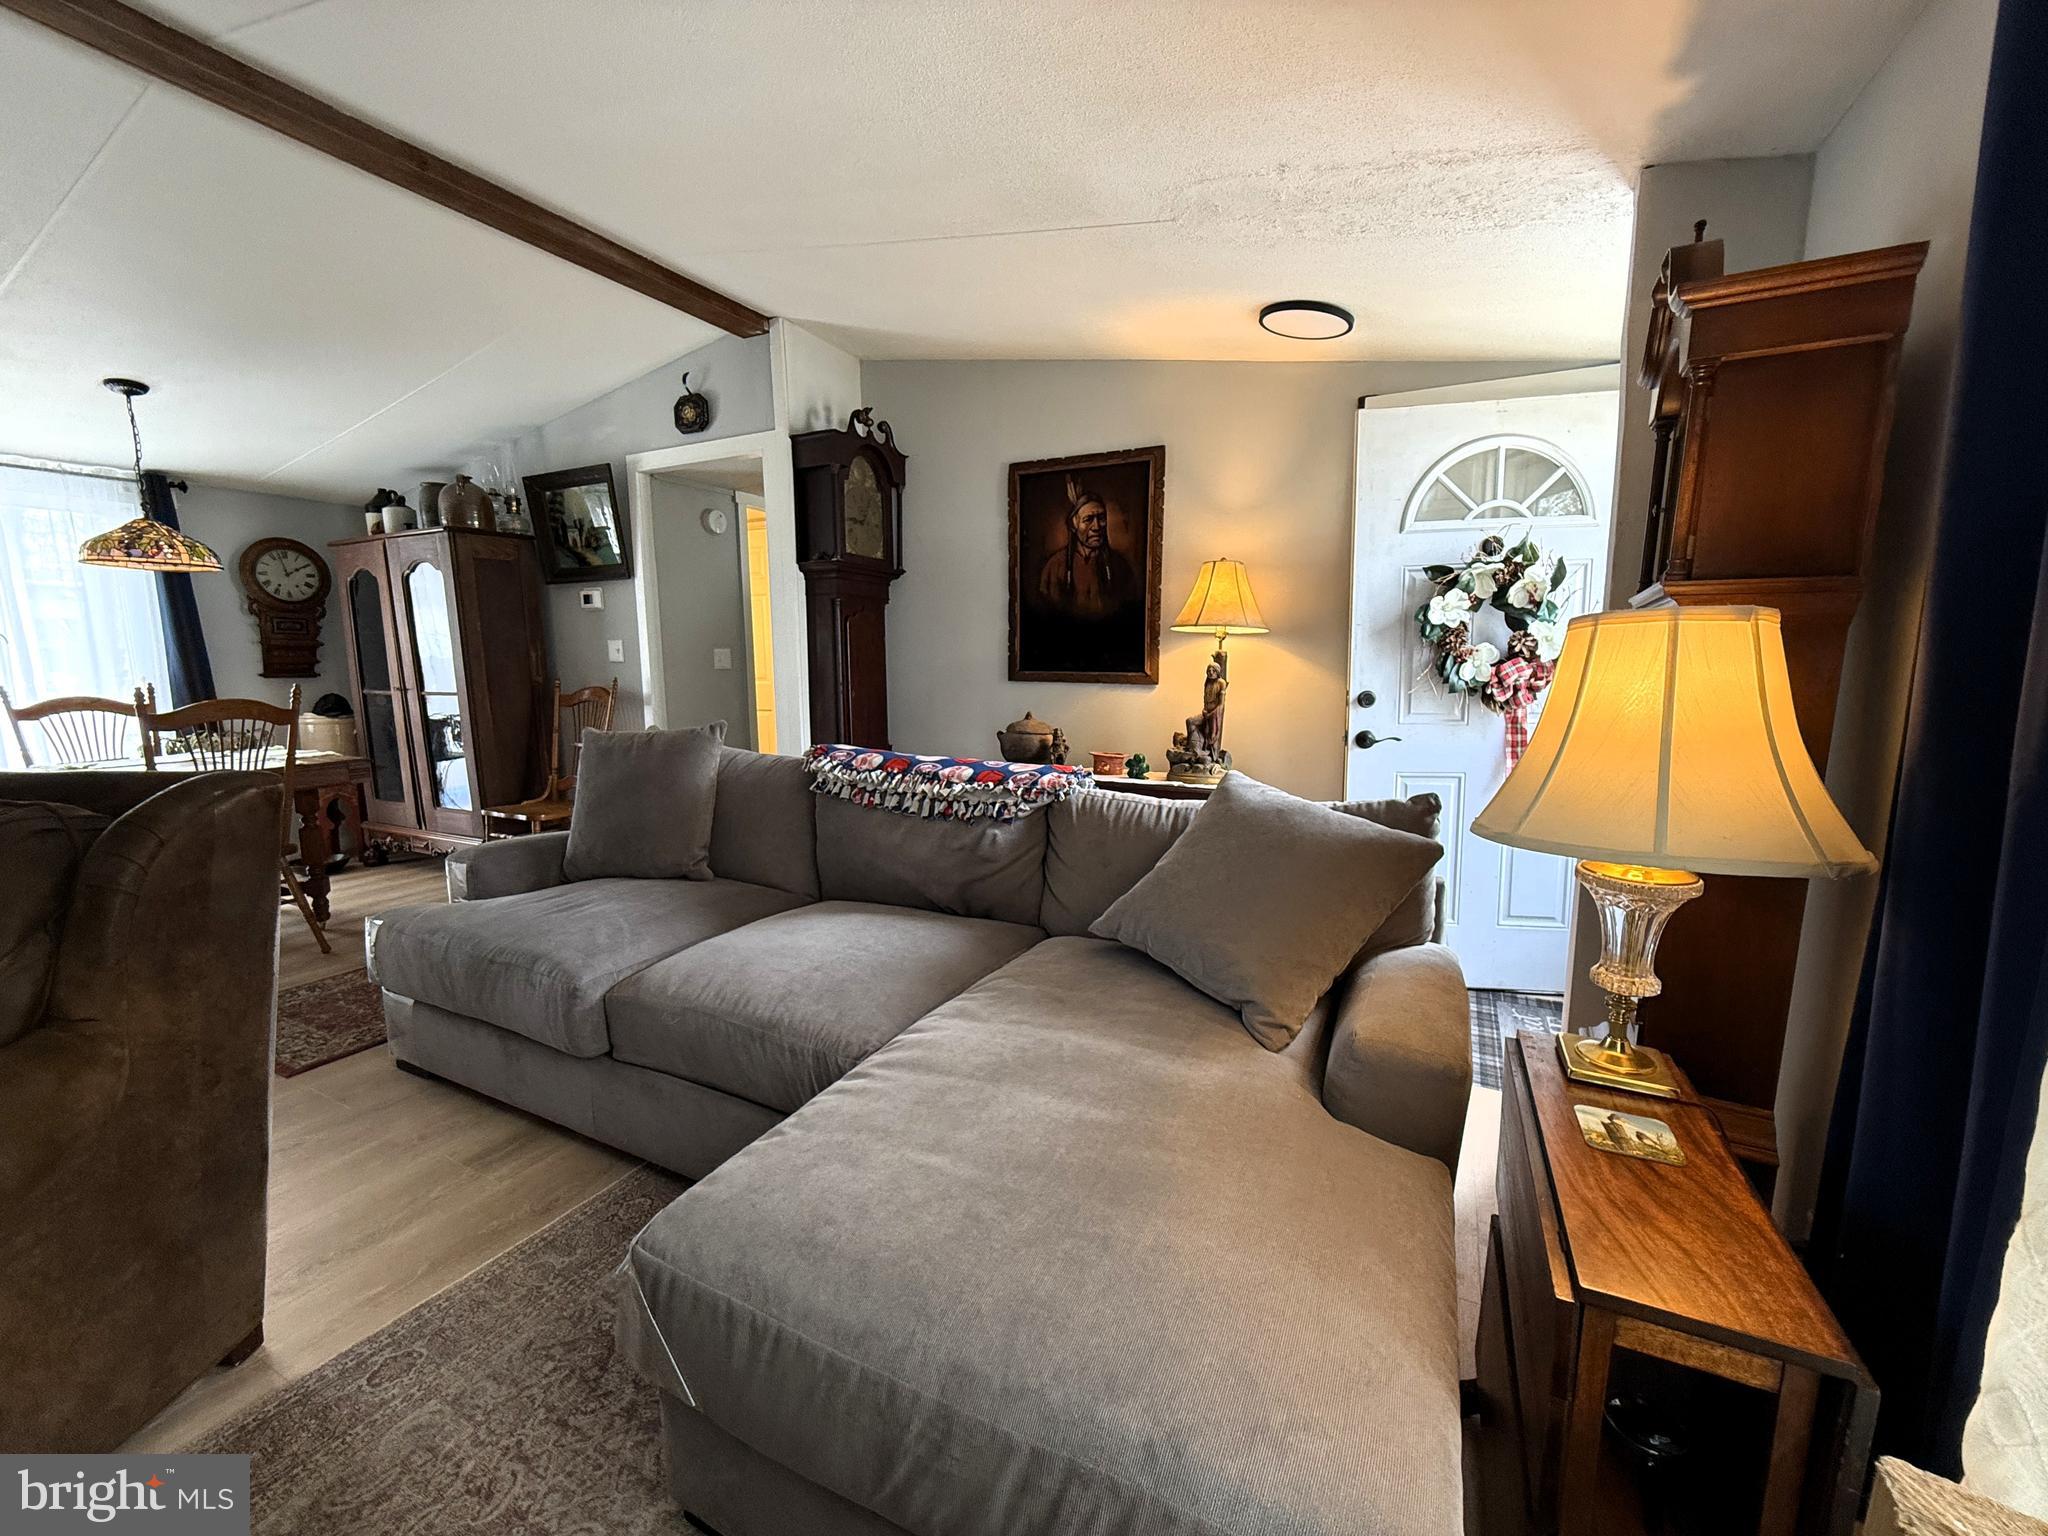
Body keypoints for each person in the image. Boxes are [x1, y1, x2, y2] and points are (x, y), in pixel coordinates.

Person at [1037, 477, 1137, 621]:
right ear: (1073, 525)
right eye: (1088, 519)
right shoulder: (1055, 566)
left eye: (1101, 518)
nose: (1096, 527)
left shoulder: (1120, 566)